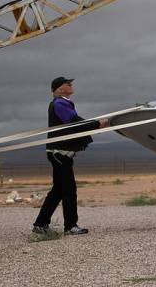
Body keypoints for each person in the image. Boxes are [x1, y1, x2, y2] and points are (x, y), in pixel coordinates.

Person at [32, 77, 109, 236]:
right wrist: (97, 124)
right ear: (58, 89)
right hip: (59, 153)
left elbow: (76, 122)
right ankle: (70, 226)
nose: (71, 85)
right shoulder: (60, 103)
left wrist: (95, 124)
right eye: (67, 83)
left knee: (58, 191)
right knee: (68, 190)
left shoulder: (62, 103)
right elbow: (74, 123)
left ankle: (40, 224)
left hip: (59, 153)